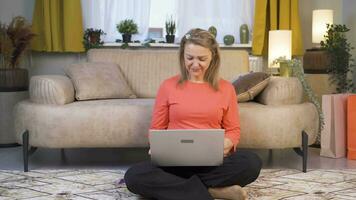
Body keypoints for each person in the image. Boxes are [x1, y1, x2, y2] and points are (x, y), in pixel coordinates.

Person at [124, 28, 262, 200]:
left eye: (202, 59)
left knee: (251, 163)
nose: (195, 64)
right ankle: (212, 192)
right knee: (133, 176)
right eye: (189, 58)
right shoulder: (168, 86)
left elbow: (233, 130)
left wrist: (227, 144)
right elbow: (156, 129)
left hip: (212, 163)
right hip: (174, 163)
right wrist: (158, 147)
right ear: (183, 56)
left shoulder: (226, 89)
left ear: (213, 58)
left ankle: (182, 188)